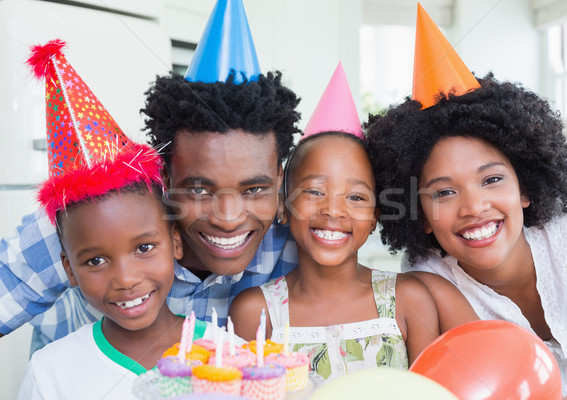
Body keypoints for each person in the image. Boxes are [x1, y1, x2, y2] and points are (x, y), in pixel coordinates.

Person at [0, 0, 301, 352]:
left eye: (254, 189)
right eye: (201, 190)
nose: (229, 218)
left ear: (279, 183)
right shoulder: (96, 213)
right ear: (165, 179)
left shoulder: (295, 244)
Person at [366, 6, 567, 398]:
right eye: (443, 192)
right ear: (419, 214)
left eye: (491, 180)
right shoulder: (430, 283)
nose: (473, 206)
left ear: (524, 188)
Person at [229, 64, 478, 381]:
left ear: (376, 215)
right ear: (283, 206)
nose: (333, 211)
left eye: (356, 197)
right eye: (315, 191)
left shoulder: (408, 299)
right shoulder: (255, 312)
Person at [17, 40, 212, 400]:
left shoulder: (233, 355)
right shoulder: (49, 373)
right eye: (95, 260)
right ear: (69, 269)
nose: (125, 279)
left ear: (175, 242)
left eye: (143, 247)